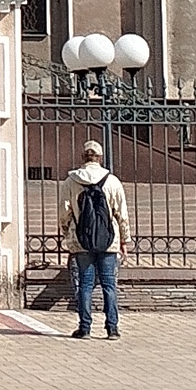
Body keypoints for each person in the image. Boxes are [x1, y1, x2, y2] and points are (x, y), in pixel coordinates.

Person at [59, 140, 130, 337]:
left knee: (85, 284)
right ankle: (112, 328)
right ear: (99, 158)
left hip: (81, 240)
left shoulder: (71, 181)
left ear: (83, 157)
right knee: (109, 284)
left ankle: (85, 327)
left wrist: (68, 235)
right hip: (109, 240)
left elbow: (64, 213)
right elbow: (121, 214)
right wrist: (124, 240)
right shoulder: (112, 181)